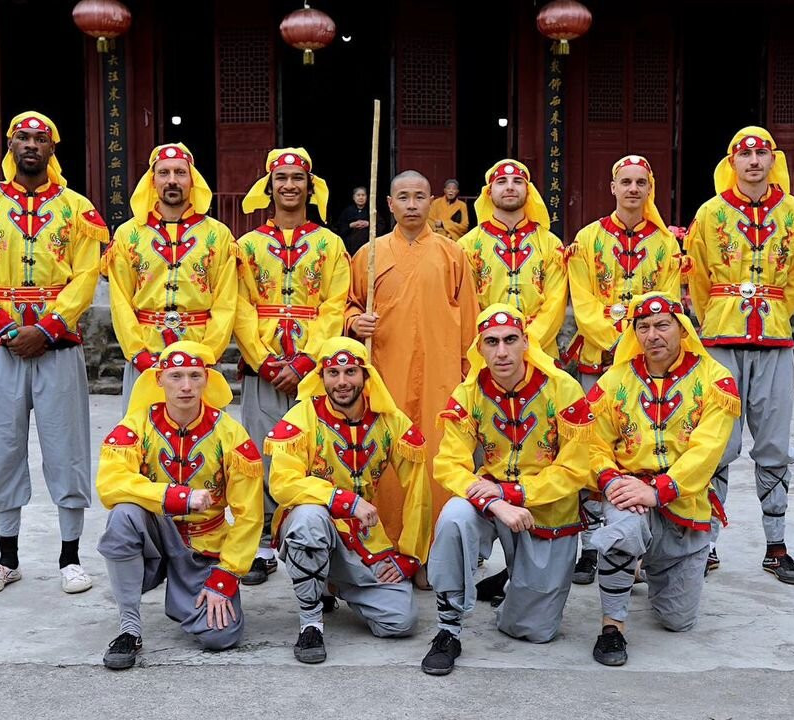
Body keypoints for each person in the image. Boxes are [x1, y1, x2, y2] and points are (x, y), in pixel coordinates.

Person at [0, 111, 107, 596]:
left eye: (41, 139)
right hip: (1, 346)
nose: (31, 145)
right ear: (10, 145)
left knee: (67, 448)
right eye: (23, 137)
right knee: (2, 447)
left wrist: (47, 327)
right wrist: (4, 327)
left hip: (58, 346)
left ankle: (69, 557)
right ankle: (7, 558)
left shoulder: (77, 210)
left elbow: (86, 276)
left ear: (53, 149)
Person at [421, 304, 592, 676]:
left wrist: (512, 495)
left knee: (532, 631)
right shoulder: (469, 393)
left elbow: (576, 468)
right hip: (493, 505)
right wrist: (494, 501)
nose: (501, 352)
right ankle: (448, 630)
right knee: (454, 517)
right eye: (492, 342)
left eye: (510, 340)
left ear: (526, 343)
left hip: (547, 511)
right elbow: (448, 463)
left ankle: (512, 584)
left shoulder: (562, 388)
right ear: (480, 349)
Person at [685, 127, 794, 584]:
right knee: (718, 444)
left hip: (775, 338)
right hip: (721, 336)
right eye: (745, 154)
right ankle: (708, 544)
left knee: (775, 442)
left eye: (762, 153)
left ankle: (776, 546)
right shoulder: (710, 213)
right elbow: (698, 280)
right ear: (732, 162)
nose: (754, 161)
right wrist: (718, 318)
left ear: (772, 159)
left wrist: (775, 311)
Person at [585, 293, 738, 666]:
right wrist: (612, 483)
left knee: (677, 621)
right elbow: (591, 444)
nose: (653, 335)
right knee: (624, 526)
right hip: (628, 493)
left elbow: (707, 453)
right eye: (644, 327)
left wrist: (657, 490)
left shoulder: (715, 380)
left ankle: (648, 565)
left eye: (662, 325)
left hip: (684, 501)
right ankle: (612, 627)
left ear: (682, 328)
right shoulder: (613, 381)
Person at [95, 341, 264, 669]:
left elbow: (249, 514)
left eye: (194, 376)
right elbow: (109, 483)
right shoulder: (136, 425)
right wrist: (176, 497)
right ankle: (129, 628)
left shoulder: (230, 433)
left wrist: (227, 574)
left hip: (205, 545)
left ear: (207, 380)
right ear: (158, 380)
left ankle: (189, 592)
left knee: (221, 637)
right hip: (154, 536)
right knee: (123, 514)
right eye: (175, 376)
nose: (186, 386)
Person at [264, 337, 432, 663]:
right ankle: (311, 622)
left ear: (365, 376)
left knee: (401, 621)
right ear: (321, 377)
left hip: (364, 540)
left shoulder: (390, 420)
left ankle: (334, 583)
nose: (342, 382)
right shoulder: (303, 417)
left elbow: (418, 494)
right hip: (314, 529)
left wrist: (411, 557)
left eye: (350, 371)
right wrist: (346, 502)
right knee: (309, 518)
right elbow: (283, 485)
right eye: (333, 373)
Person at [234, 147, 351, 585]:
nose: (288, 185)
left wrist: (306, 359)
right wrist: (264, 361)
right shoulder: (246, 246)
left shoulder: (330, 244)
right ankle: (263, 541)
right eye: (280, 178)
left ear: (310, 186)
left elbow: (333, 305)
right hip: (262, 367)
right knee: (260, 449)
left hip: (313, 369)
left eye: (297, 178)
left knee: (315, 448)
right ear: (268, 187)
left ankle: (314, 531)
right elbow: (239, 306)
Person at [565, 155, 682, 584]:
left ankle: (632, 545)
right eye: (625, 182)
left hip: (645, 366)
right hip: (598, 359)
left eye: (641, 183)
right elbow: (583, 303)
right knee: (588, 446)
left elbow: (668, 305)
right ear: (612, 187)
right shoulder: (587, 238)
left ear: (650, 190)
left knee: (634, 446)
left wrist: (641, 344)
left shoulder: (666, 244)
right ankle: (589, 545)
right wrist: (617, 341)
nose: (633, 189)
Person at [345, 170, 479, 538]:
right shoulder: (368, 255)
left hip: (442, 372)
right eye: (403, 197)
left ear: (431, 200)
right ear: (389, 204)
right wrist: (356, 322)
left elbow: (469, 319)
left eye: (419, 196)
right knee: (389, 455)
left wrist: (470, 375)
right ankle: (386, 539)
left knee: (440, 458)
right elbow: (348, 306)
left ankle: (436, 547)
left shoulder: (452, 254)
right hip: (387, 373)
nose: (412, 204)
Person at [102, 143, 237, 409]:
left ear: (192, 180)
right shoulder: (128, 234)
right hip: (145, 355)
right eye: (164, 173)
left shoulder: (219, 235)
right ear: (152, 181)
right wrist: (137, 353)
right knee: (144, 439)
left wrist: (207, 354)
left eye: (180, 172)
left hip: (201, 356)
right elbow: (120, 301)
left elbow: (226, 302)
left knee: (204, 440)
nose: (172, 180)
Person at [458, 159, 568, 357]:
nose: (510, 187)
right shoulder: (467, 245)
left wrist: (525, 343)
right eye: (501, 182)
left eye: (517, 181)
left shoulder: (551, 244)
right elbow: (467, 306)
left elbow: (555, 304)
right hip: (488, 353)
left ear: (528, 190)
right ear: (489, 192)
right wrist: (494, 343)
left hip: (540, 352)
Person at [335, 186, 387, 257]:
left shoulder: (372, 210)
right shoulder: (347, 211)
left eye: (363, 195)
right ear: (354, 197)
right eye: (358, 195)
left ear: (367, 197)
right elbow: (339, 227)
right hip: (350, 249)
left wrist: (369, 224)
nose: (361, 197)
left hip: (368, 248)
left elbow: (381, 225)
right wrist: (351, 225)